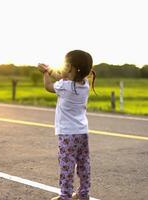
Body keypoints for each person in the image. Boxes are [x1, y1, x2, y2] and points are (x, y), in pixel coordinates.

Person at [38, 50, 96, 200]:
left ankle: (65, 196)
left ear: (69, 67)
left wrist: (45, 73)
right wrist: (50, 69)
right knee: (83, 164)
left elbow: (49, 86)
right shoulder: (85, 84)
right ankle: (84, 194)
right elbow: (63, 77)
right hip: (82, 132)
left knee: (66, 165)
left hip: (67, 134)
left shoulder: (64, 86)